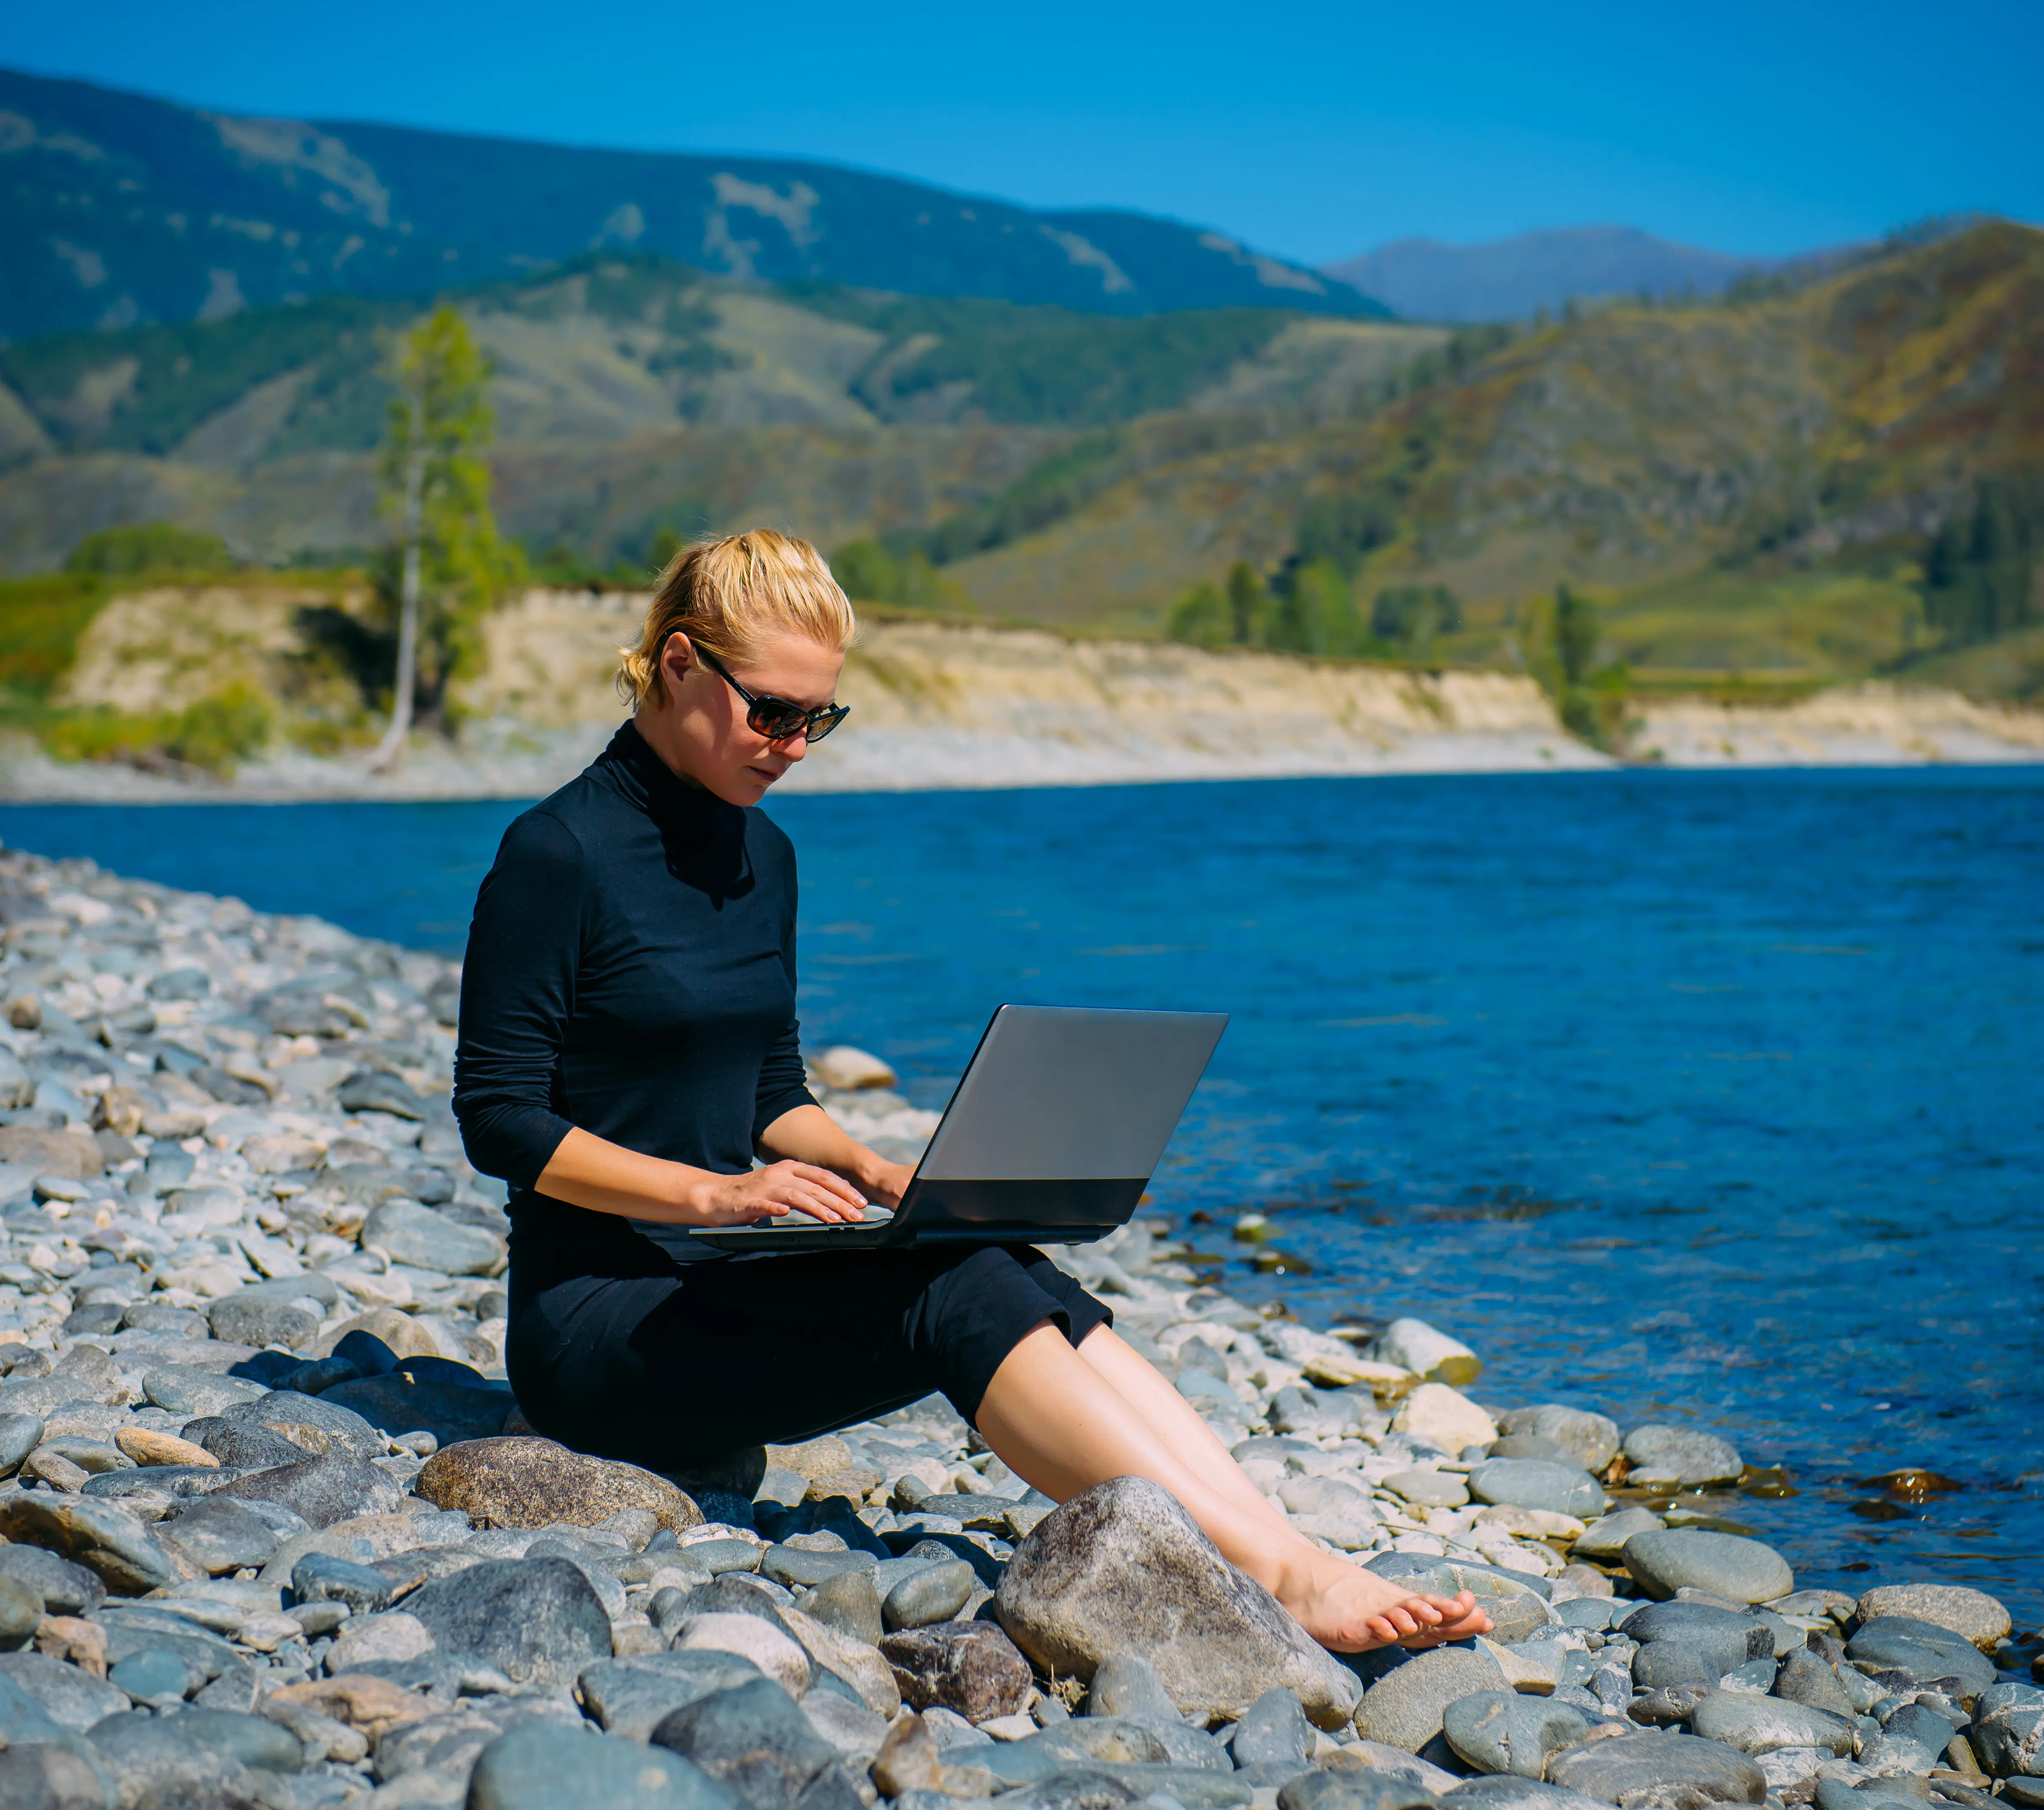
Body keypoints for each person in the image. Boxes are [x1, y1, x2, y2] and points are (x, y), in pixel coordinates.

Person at [453, 529, 1486, 1652]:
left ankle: (1278, 1545)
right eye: (774, 712)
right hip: (600, 1324)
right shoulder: (555, 853)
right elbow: (499, 1117)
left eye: (819, 719)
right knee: (949, 1294)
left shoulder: (765, 857)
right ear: (680, 663)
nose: (795, 744)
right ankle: (1279, 1575)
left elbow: (768, 1083)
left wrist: (873, 1167)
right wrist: (713, 1196)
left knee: (996, 1258)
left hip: (726, 1282)